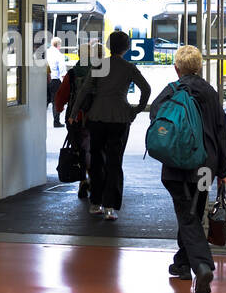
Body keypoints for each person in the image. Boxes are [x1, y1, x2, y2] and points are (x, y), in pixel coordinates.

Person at [149, 44, 226, 293]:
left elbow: (155, 117)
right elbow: (221, 131)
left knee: (186, 215)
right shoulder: (210, 92)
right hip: (205, 167)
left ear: (177, 69)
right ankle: (183, 263)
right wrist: (223, 168)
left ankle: (201, 265)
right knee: (194, 211)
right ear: (200, 66)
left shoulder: (171, 91)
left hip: (176, 167)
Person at [71, 30, 150, 221]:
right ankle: (109, 207)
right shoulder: (129, 67)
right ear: (127, 48)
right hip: (120, 119)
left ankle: (95, 203)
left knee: (97, 160)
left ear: (108, 46)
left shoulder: (100, 65)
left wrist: (74, 114)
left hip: (96, 117)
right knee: (115, 163)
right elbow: (146, 89)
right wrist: (135, 109)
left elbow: (84, 91)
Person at [53, 40, 101, 199]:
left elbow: (61, 95)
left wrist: (59, 110)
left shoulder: (72, 74)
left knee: (80, 150)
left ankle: (83, 181)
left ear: (80, 55)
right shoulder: (99, 72)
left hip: (75, 120)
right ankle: (94, 179)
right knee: (94, 149)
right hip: (95, 117)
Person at [45, 39, 67, 127]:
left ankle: (39, 122)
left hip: (46, 79)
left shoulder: (46, 52)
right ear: (58, 45)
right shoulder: (59, 55)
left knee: (45, 101)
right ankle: (56, 122)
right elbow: (62, 70)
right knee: (55, 101)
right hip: (55, 81)